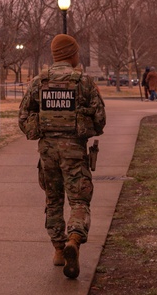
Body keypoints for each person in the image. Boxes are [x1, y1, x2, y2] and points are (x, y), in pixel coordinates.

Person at [18, 34, 106, 279]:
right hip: (74, 151)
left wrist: (42, 131)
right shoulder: (84, 82)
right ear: (71, 54)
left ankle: (58, 249)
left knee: (53, 200)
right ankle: (74, 240)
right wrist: (84, 126)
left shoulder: (39, 81)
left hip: (47, 153)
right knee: (79, 201)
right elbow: (100, 119)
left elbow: (23, 118)